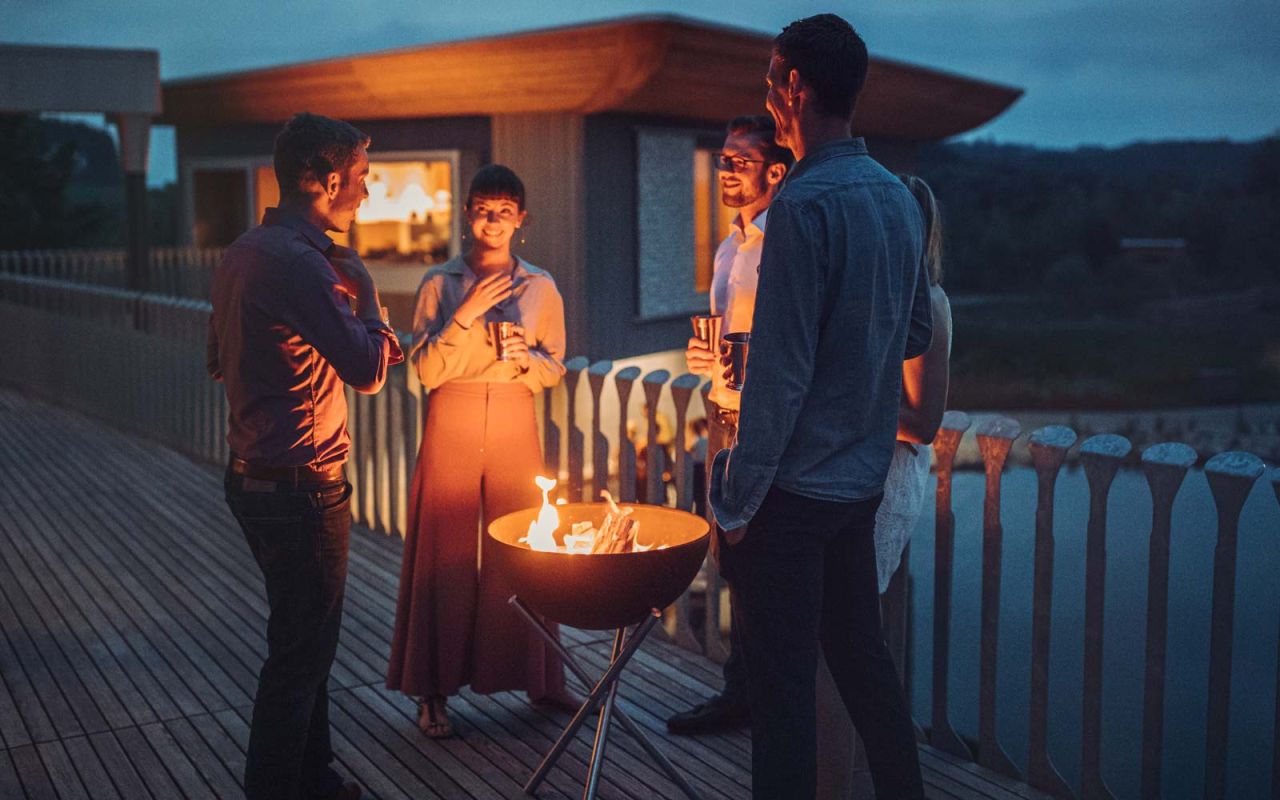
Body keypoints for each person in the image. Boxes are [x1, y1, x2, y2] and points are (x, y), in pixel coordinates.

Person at [708, 14, 933, 800]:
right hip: (861, 481)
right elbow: (912, 331)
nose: (768, 97)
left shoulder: (803, 206)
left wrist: (737, 499)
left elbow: (783, 377)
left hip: (795, 494)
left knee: (782, 692)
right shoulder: (898, 198)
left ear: (796, 86)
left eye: (773, 78)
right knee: (863, 661)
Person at [208, 112, 403, 800]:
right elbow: (369, 371)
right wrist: (371, 300)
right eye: (360, 178)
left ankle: (312, 779)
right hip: (302, 489)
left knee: (302, 643)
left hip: (250, 476)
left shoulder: (244, 251)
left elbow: (217, 359)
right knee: (299, 658)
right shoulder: (298, 263)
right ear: (323, 181)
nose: (366, 193)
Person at [387, 165, 572, 739]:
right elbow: (424, 370)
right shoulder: (439, 284)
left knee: (523, 542)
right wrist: (466, 314)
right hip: (455, 414)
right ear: (467, 215)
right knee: (442, 548)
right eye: (483, 208)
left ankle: (541, 676)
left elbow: (554, 367)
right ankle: (432, 691)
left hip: (515, 414)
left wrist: (522, 357)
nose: (493, 220)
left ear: (521, 219)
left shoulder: (540, 286)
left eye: (505, 210)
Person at [667, 114, 791, 736]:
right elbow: (726, 338)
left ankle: (766, 699)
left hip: (764, 424)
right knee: (733, 561)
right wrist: (705, 361)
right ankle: (741, 692)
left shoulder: (784, 244)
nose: (723, 169)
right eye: (721, 158)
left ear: (775, 171)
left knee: (764, 562)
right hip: (723, 414)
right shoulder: (726, 248)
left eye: (738, 160)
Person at [874, 175, 953, 591]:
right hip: (852, 474)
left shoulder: (929, 305)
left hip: (888, 479)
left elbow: (923, 425)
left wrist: (844, 412)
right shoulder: (874, 293)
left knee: (855, 612)